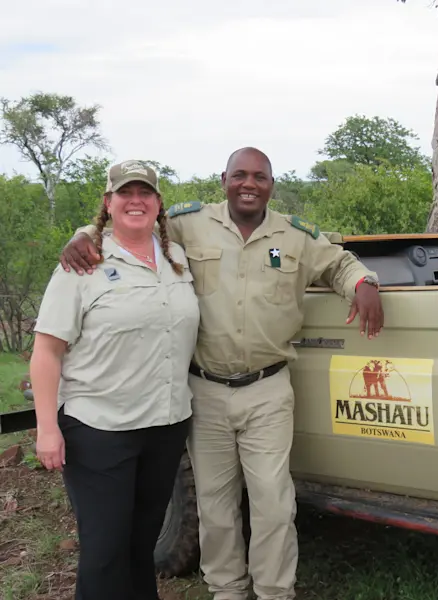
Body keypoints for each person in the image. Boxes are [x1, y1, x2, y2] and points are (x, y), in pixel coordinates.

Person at [58, 146, 384, 600]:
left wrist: (364, 284)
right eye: (240, 175)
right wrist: (83, 234)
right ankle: (226, 590)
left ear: (272, 185)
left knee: (274, 502)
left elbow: (339, 263)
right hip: (205, 389)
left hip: (268, 389)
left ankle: (274, 592)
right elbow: (130, 223)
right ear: (224, 180)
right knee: (214, 503)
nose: (249, 184)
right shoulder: (189, 224)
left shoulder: (294, 236)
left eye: (260, 177)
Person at [30, 160, 200, 600]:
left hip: (164, 425)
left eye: (145, 193)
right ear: (109, 202)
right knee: (105, 553)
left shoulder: (177, 259)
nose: (136, 201)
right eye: (126, 193)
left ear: (159, 203)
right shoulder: (82, 263)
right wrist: (47, 428)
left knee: (140, 547)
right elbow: (47, 351)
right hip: (99, 430)